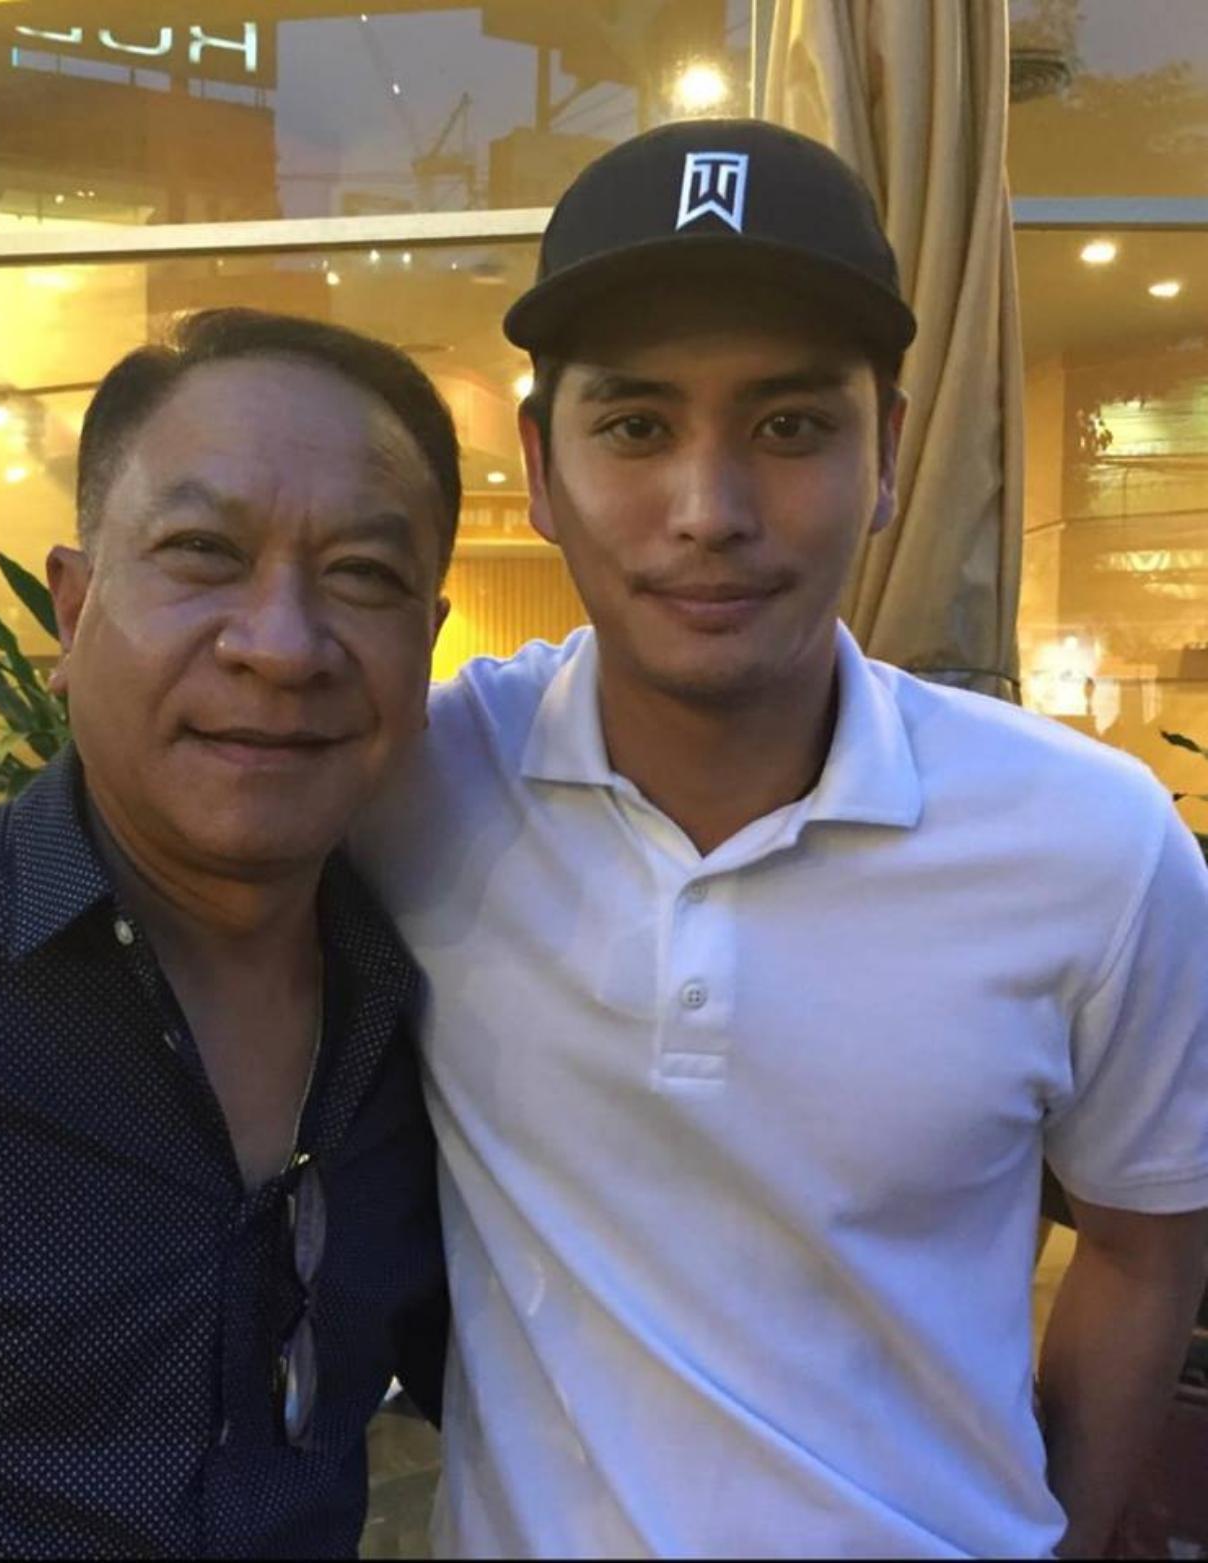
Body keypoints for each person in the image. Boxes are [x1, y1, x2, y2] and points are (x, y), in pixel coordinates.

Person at [356, 121, 1208, 1558]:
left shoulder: (1091, 839)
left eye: (792, 426)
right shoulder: (416, 784)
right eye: (636, 428)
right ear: (541, 467)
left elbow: (1143, 1239)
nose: (711, 512)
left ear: (887, 454)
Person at [0, 309, 455, 1558]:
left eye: (363, 576)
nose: (280, 647)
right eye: (202, 552)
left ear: (427, 644)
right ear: (72, 610)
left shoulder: (439, 1012)